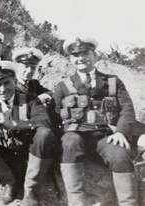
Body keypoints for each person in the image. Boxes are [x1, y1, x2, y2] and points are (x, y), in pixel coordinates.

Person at [52, 36, 137, 206]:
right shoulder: (63, 86)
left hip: (105, 136)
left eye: (85, 53)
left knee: (120, 153)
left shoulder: (113, 81)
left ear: (94, 56)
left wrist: (121, 132)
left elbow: (127, 109)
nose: (80, 58)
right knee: (69, 141)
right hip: (76, 136)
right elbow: (54, 116)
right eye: (76, 55)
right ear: (70, 59)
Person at [0, 61, 57, 205]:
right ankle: (9, 185)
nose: (2, 89)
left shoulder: (30, 99)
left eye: (7, 83)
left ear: (14, 81)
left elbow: (43, 122)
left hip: (29, 160)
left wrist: (13, 124)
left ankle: (31, 190)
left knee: (44, 134)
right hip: (4, 164)